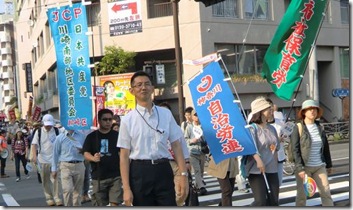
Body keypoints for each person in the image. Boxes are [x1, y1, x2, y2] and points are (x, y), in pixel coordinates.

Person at [118, 71, 187, 206]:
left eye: (147, 84)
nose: (143, 88)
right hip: (139, 171)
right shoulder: (127, 120)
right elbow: (124, 156)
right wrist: (126, 188)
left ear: (152, 88)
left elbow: (176, 145)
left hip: (163, 169)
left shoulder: (166, 114)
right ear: (132, 91)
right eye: (138, 85)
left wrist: (183, 175)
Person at [291, 99, 333, 206]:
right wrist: (299, 168)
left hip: (319, 166)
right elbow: (295, 149)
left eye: (314, 109)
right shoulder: (298, 127)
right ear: (304, 112)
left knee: (326, 193)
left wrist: (329, 165)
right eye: (309, 109)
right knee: (302, 196)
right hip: (304, 168)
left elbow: (325, 147)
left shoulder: (320, 127)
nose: (312, 111)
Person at [82, 108, 122, 206]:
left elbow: (123, 153)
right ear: (99, 121)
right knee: (99, 204)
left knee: (115, 203)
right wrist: (93, 158)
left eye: (110, 119)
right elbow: (86, 153)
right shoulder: (91, 136)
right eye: (105, 119)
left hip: (116, 175)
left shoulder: (118, 135)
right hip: (99, 176)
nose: (108, 122)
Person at [246, 97, 280, 206]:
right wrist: (259, 160)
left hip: (272, 168)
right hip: (256, 170)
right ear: (260, 112)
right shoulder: (252, 128)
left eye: (271, 109)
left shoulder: (272, 128)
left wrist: (278, 141)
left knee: (274, 201)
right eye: (268, 109)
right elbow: (250, 147)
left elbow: (276, 147)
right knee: (261, 202)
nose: (271, 111)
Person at [159, 101, 191, 206]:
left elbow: (182, 145)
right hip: (162, 163)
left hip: (176, 162)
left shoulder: (176, 128)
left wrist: (186, 161)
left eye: (166, 112)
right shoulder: (154, 127)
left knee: (180, 191)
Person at [30, 114, 63, 206]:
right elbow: (34, 144)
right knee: (45, 179)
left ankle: (57, 197)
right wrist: (34, 157)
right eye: (47, 124)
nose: (48, 126)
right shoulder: (38, 131)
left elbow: (62, 143)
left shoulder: (57, 131)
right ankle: (49, 197)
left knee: (56, 179)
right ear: (43, 123)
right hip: (42, 160)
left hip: (55, 159)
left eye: (50, 124)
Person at [52, 129, 86, 206]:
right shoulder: (60, 137)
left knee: (77, 191)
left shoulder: (81, 136)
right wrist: (54, 169)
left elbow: (87, 149)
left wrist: (83, 150)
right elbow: (55, 153)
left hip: (79, 164)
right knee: (67, 190)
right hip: (65, 165)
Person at [184, 110, 207, 196]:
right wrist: (192, 140)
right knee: (197, 170)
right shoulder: (189, 127)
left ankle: (198, 186)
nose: (197, 117)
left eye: (198, 115)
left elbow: (207, 138)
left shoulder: (203, 127)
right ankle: (201, 187)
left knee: (201, 171)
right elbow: (185, 139)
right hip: (192, 152)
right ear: (192, 117)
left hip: (202, 151)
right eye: (195, 115)